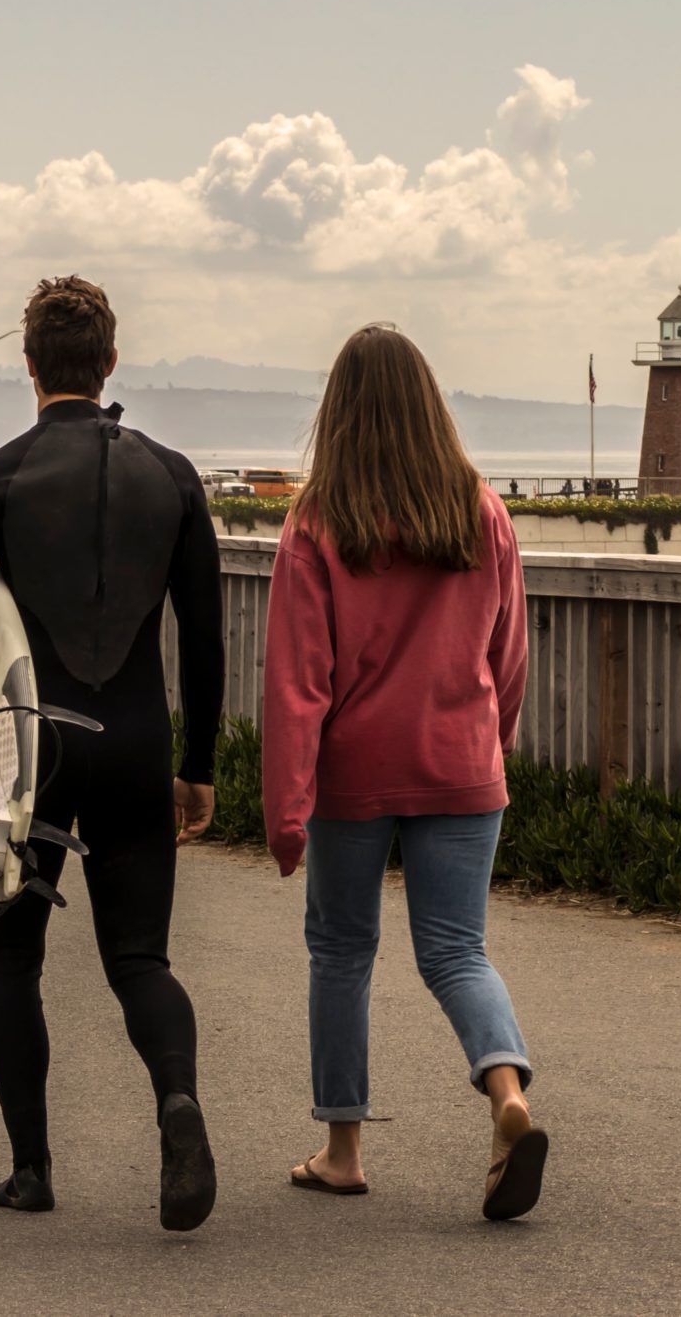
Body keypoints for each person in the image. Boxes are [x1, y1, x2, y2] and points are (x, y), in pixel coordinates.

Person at [0, 275, 228, 1231]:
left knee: (15, 960)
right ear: (112, 362)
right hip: (135, 745)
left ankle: (32, 1170)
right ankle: (178, 1104)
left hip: (24, 750)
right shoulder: (171, 476)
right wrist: (198, 763)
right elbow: (204, 637)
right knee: (140, 959)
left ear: (33, 365)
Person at [262, 323, 545, 1222]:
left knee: (342, 952)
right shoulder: (480, 509)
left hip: (355, 776)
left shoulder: (316, 523)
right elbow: (511, 653)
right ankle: (507, 1093)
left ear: (338, 413)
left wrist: (286, 808)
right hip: (463, 766)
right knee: (458, 950)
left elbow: (295, 683)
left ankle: (342, 1151)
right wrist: (488, 744)